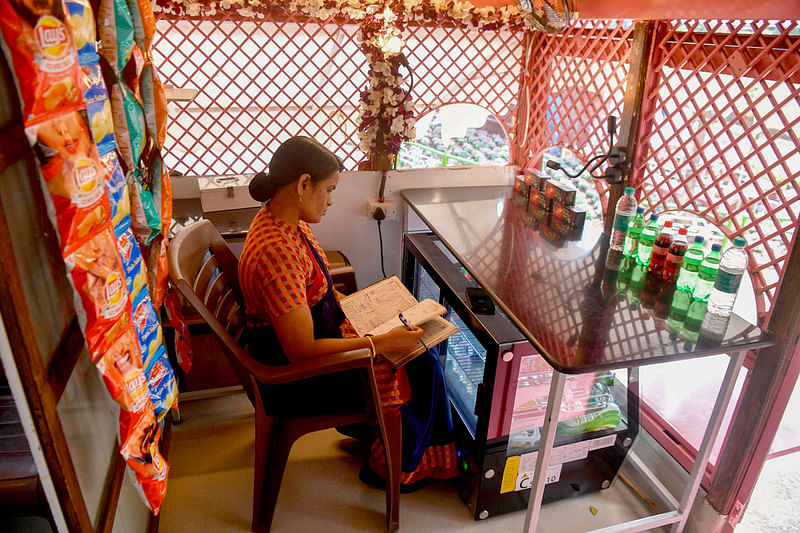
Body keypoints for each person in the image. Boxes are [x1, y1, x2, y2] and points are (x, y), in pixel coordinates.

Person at [239, 136, 458, 491]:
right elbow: (300, 349)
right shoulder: (275, 251)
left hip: (308, 342)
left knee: (414, 342)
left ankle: (383, 439)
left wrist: (370, 307)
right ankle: (392, 467)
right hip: (296, 378)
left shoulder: (284, 223)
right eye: (328, 190)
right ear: (302, 184)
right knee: (421, 363)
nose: (330, 201)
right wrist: (381, 341)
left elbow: (311, 293)